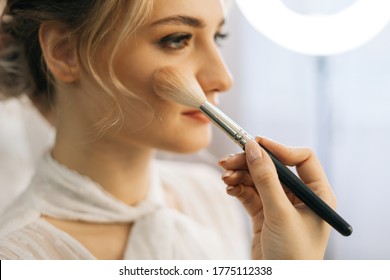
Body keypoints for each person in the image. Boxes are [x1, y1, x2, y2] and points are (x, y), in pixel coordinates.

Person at [0, 0, 335, 260]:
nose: (222, 78)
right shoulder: (18, 256)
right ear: (64, 52)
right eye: (177, 40)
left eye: (218, 36)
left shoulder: (211, 196)